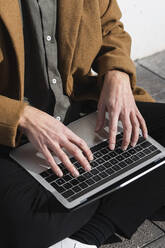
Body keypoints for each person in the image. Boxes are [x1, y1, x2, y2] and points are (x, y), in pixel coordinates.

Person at [0, 0, 165, 247]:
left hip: (83, 110)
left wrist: (117, 73)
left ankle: (87, 235)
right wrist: (20, 116)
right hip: (11, 142)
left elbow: (110, 27)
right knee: (18, 222)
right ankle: (132, 190)